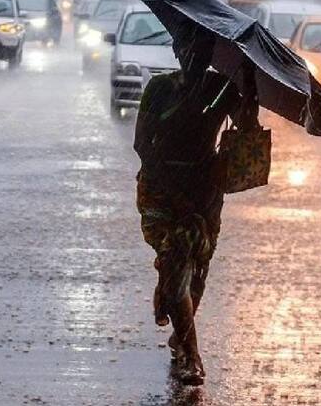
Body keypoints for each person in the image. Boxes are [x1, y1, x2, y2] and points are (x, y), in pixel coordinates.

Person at [134, 29, 259, 385]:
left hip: (205, 193)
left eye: (202, 49)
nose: (193, 55)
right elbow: (142, 144)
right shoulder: (159, 89)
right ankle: (191, 355)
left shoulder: (222, 88)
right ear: (176, 49)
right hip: (161, 191)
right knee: (176, 265)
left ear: (212, 54)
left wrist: (248, 84)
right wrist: (176, 195)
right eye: (187, 47)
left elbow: (248, 127)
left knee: (196, 271)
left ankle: (179, 324)